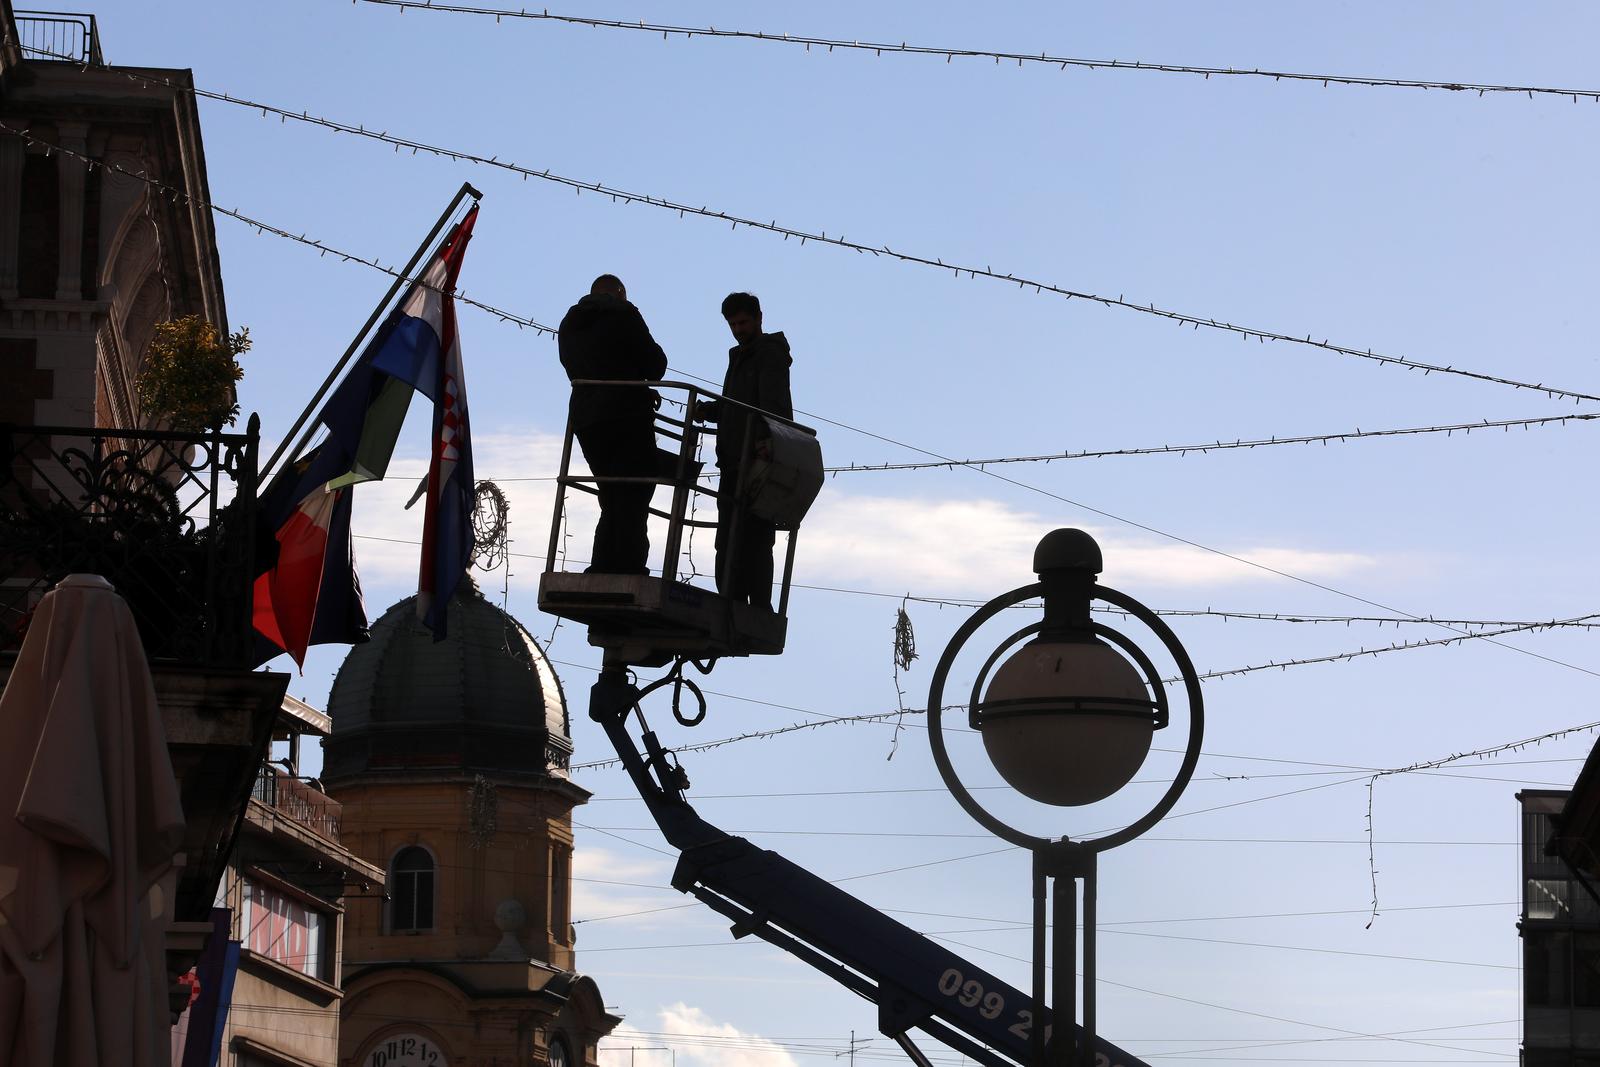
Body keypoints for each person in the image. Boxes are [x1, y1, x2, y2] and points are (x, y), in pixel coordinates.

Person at [557, 274, 667, 575]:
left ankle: (603, 564)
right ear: (620, 293)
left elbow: (574, 365)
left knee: (610, 493)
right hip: (626, 415)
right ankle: (628, 567)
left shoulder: (570, 322)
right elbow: (655, 365)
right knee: (636, 490)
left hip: (587, 420)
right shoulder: (624, 313)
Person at [699, 291, 793, 609]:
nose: (738, 329)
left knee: (755, 537)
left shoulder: (768, 355)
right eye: (733, 324)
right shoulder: (741, 357)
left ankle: (756, 606)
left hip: (756, 462)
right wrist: (708, 410)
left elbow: (772, 406)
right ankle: (732, 600)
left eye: (743, 323)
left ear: (758, 319)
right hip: (733, 461)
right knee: (729, 539)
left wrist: (766, 444)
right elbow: (736, 406)